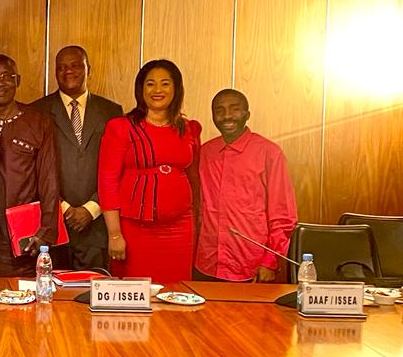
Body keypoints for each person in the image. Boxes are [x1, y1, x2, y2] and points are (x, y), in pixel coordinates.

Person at [98, 59, 201, 283]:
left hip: (180, 228)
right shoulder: (121, 127)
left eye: (165, 83)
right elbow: (107, 182)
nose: (157, 90)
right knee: (136, 293)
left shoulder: (189, 128)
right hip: (135, 230)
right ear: (141, 89)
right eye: (150, 84)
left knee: (176, 292)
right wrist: (114, 235)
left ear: (176, 88)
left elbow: (195, 181)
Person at [0, 54, 60, 276]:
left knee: (21, 294)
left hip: (26, 233)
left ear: (17, 80)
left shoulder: (39, 121)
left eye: (6, 77)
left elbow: (49, 180)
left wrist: (46, 230)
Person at [33, 45, 123, 269]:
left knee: (92, 288)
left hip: (97, 225)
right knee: (52, 288)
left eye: (75, 66)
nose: (68, 71)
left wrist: (92, 208)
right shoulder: (37, 111)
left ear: (88, 69)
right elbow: (32, 168)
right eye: (61, 67)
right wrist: (63, 208)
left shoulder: (111, 111)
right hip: (52, 226)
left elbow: (119, 167)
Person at [195, 89, 297, 282]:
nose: (227, 116)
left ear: (247, 114)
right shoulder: (205, 152)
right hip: (207, 264)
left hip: (251, 267)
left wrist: (270, 261)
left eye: (235, 109)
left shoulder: (269, 153)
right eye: (219, 110)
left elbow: (283, 216)